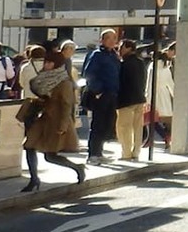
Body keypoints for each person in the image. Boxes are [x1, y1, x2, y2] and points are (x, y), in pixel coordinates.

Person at [20, 46, 85, 191]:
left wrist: (63, 126)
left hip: (56, 121)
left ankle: (77, 168)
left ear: (57, 64)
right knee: (29, 146)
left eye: (50, 63)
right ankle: (34, 179)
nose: (46, 65)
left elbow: (67, 104)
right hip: (43, 118)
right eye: (46, 62)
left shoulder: (64, 82)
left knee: (50, 156)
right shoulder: (42, 78)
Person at [80, 30, 121, 165]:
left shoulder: (113, 55)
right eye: (108, 38)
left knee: (107, 124)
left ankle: (99, 152)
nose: (111, 40)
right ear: (102, 40)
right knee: (97, 124)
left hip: (112, 94)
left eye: (114, 38)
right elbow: (89, 74)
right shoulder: (97, 55)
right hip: (101, 94)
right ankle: (93, 154)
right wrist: (98, 91)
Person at [115, 40, 149, 160]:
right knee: (137, 127)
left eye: (121, 47)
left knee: (124, 128)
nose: (119, 50)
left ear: (128, 48)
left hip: (126, 100)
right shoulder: (141, 63)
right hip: (139, 98)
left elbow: (121, 82)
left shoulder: (124, 64)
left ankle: (126, 153)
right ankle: (136, 153)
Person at [151, 43, 177, 145]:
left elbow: (150, 84)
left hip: (154, 94)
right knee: (166, 119)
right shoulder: (166, 68)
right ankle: (167, 137)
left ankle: (164, 136)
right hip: (164, 95)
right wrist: (176, 96)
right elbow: (170, 84)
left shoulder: (153, 67)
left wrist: (147, 98)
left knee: (151, 119)